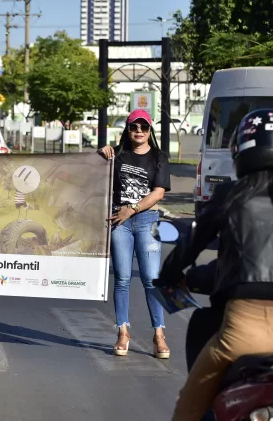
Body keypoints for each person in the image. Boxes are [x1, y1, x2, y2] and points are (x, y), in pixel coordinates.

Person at [155, 108, 273, 421]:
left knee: (190, 404)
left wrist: (171, 274)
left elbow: (191, 244)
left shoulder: (230, 195)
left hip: (242, 334)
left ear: (240, 150)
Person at [99, 108, 171, 359]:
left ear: (150, 131)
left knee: (151, 279)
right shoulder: (118, 156)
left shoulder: (159, 157)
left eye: (144, 127)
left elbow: (158, 192)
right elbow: (96, 175)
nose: (139, 131)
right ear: (127, 131)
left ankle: (159, 335)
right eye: (134, 127)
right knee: (122, 278)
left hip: (147, 221)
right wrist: (101, 154)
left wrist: (133, 209)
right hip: (120, 222)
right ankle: (123, 331)